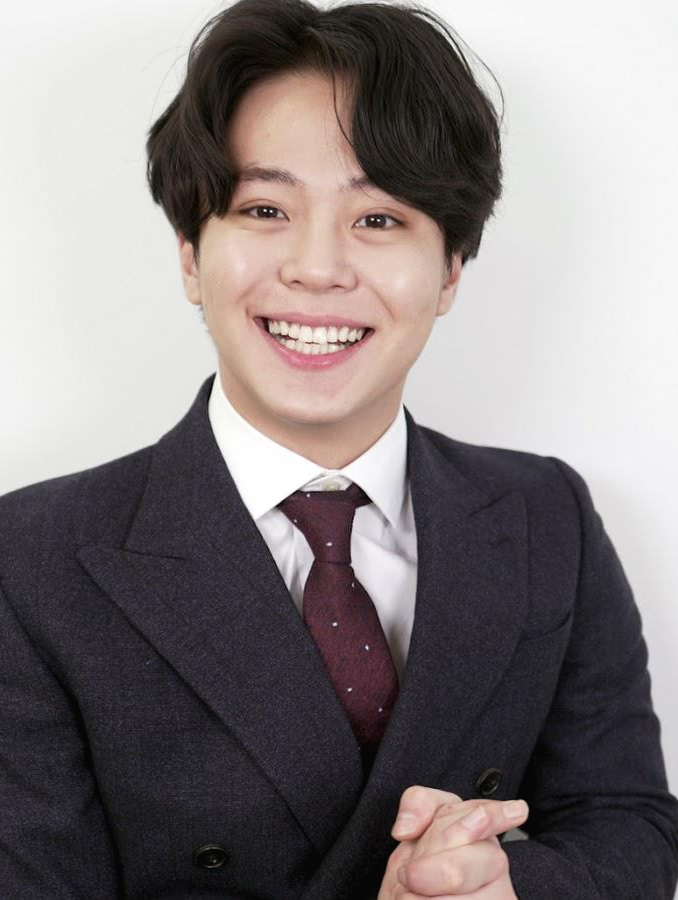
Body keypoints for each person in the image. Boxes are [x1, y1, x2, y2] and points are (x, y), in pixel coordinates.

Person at [1, 0, 676, 896]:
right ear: (191, 254)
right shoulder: (30, 559)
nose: (317, 268)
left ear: (450, 270)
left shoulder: (548, 515)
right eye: (265, 208)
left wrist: (506, 885)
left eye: (379, 220)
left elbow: (629, 823)